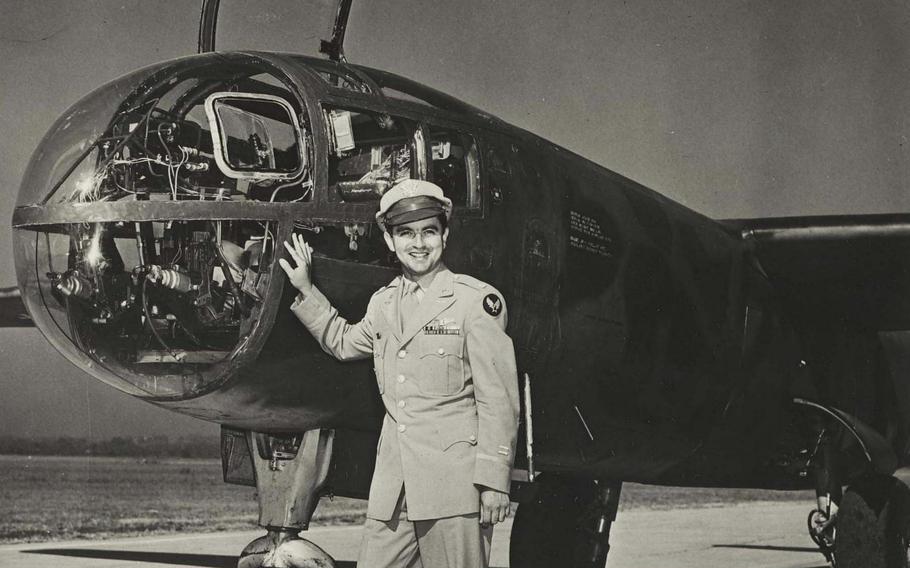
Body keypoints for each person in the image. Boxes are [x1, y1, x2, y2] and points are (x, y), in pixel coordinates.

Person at [279, 179, 519, 568]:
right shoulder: (384, 305)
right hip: (394, 488)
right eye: (405, 233)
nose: (418, 243)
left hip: (453, 489)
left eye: (429, 231)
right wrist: (306, 290)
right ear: (390, 241)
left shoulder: (475, 302)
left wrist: (494, 482)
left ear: (445, 235)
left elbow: (499, 400)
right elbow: (342, 342)